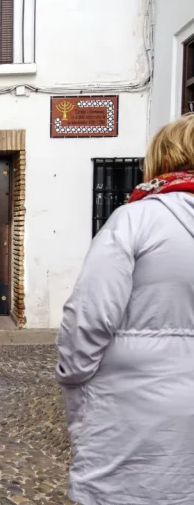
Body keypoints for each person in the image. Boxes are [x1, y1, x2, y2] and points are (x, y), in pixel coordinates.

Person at [56, 113, 194, 505]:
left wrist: (74, 378)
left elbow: (89, 315)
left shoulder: (136, 220)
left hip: (132, 408)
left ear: (163, 158)